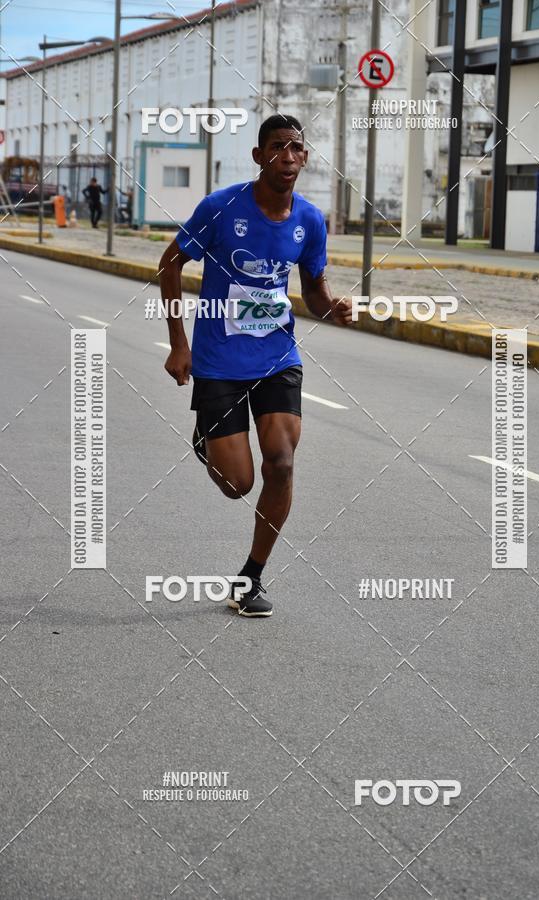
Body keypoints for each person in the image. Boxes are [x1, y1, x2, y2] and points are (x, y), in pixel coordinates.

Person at [159, 114, 352, 618]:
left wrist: (331, 306)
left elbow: (311, 289)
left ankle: (251, 578)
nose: (287, 157)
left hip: (277, 357)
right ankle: (207, 439)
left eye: (296, 148)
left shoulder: (308, 220)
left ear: (305, 157)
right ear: (258, 155)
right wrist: (179, 344)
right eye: (276, 148)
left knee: (282, 463)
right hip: (219, 360)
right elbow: (169, 264)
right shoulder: (221, 208)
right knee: (237, 484)